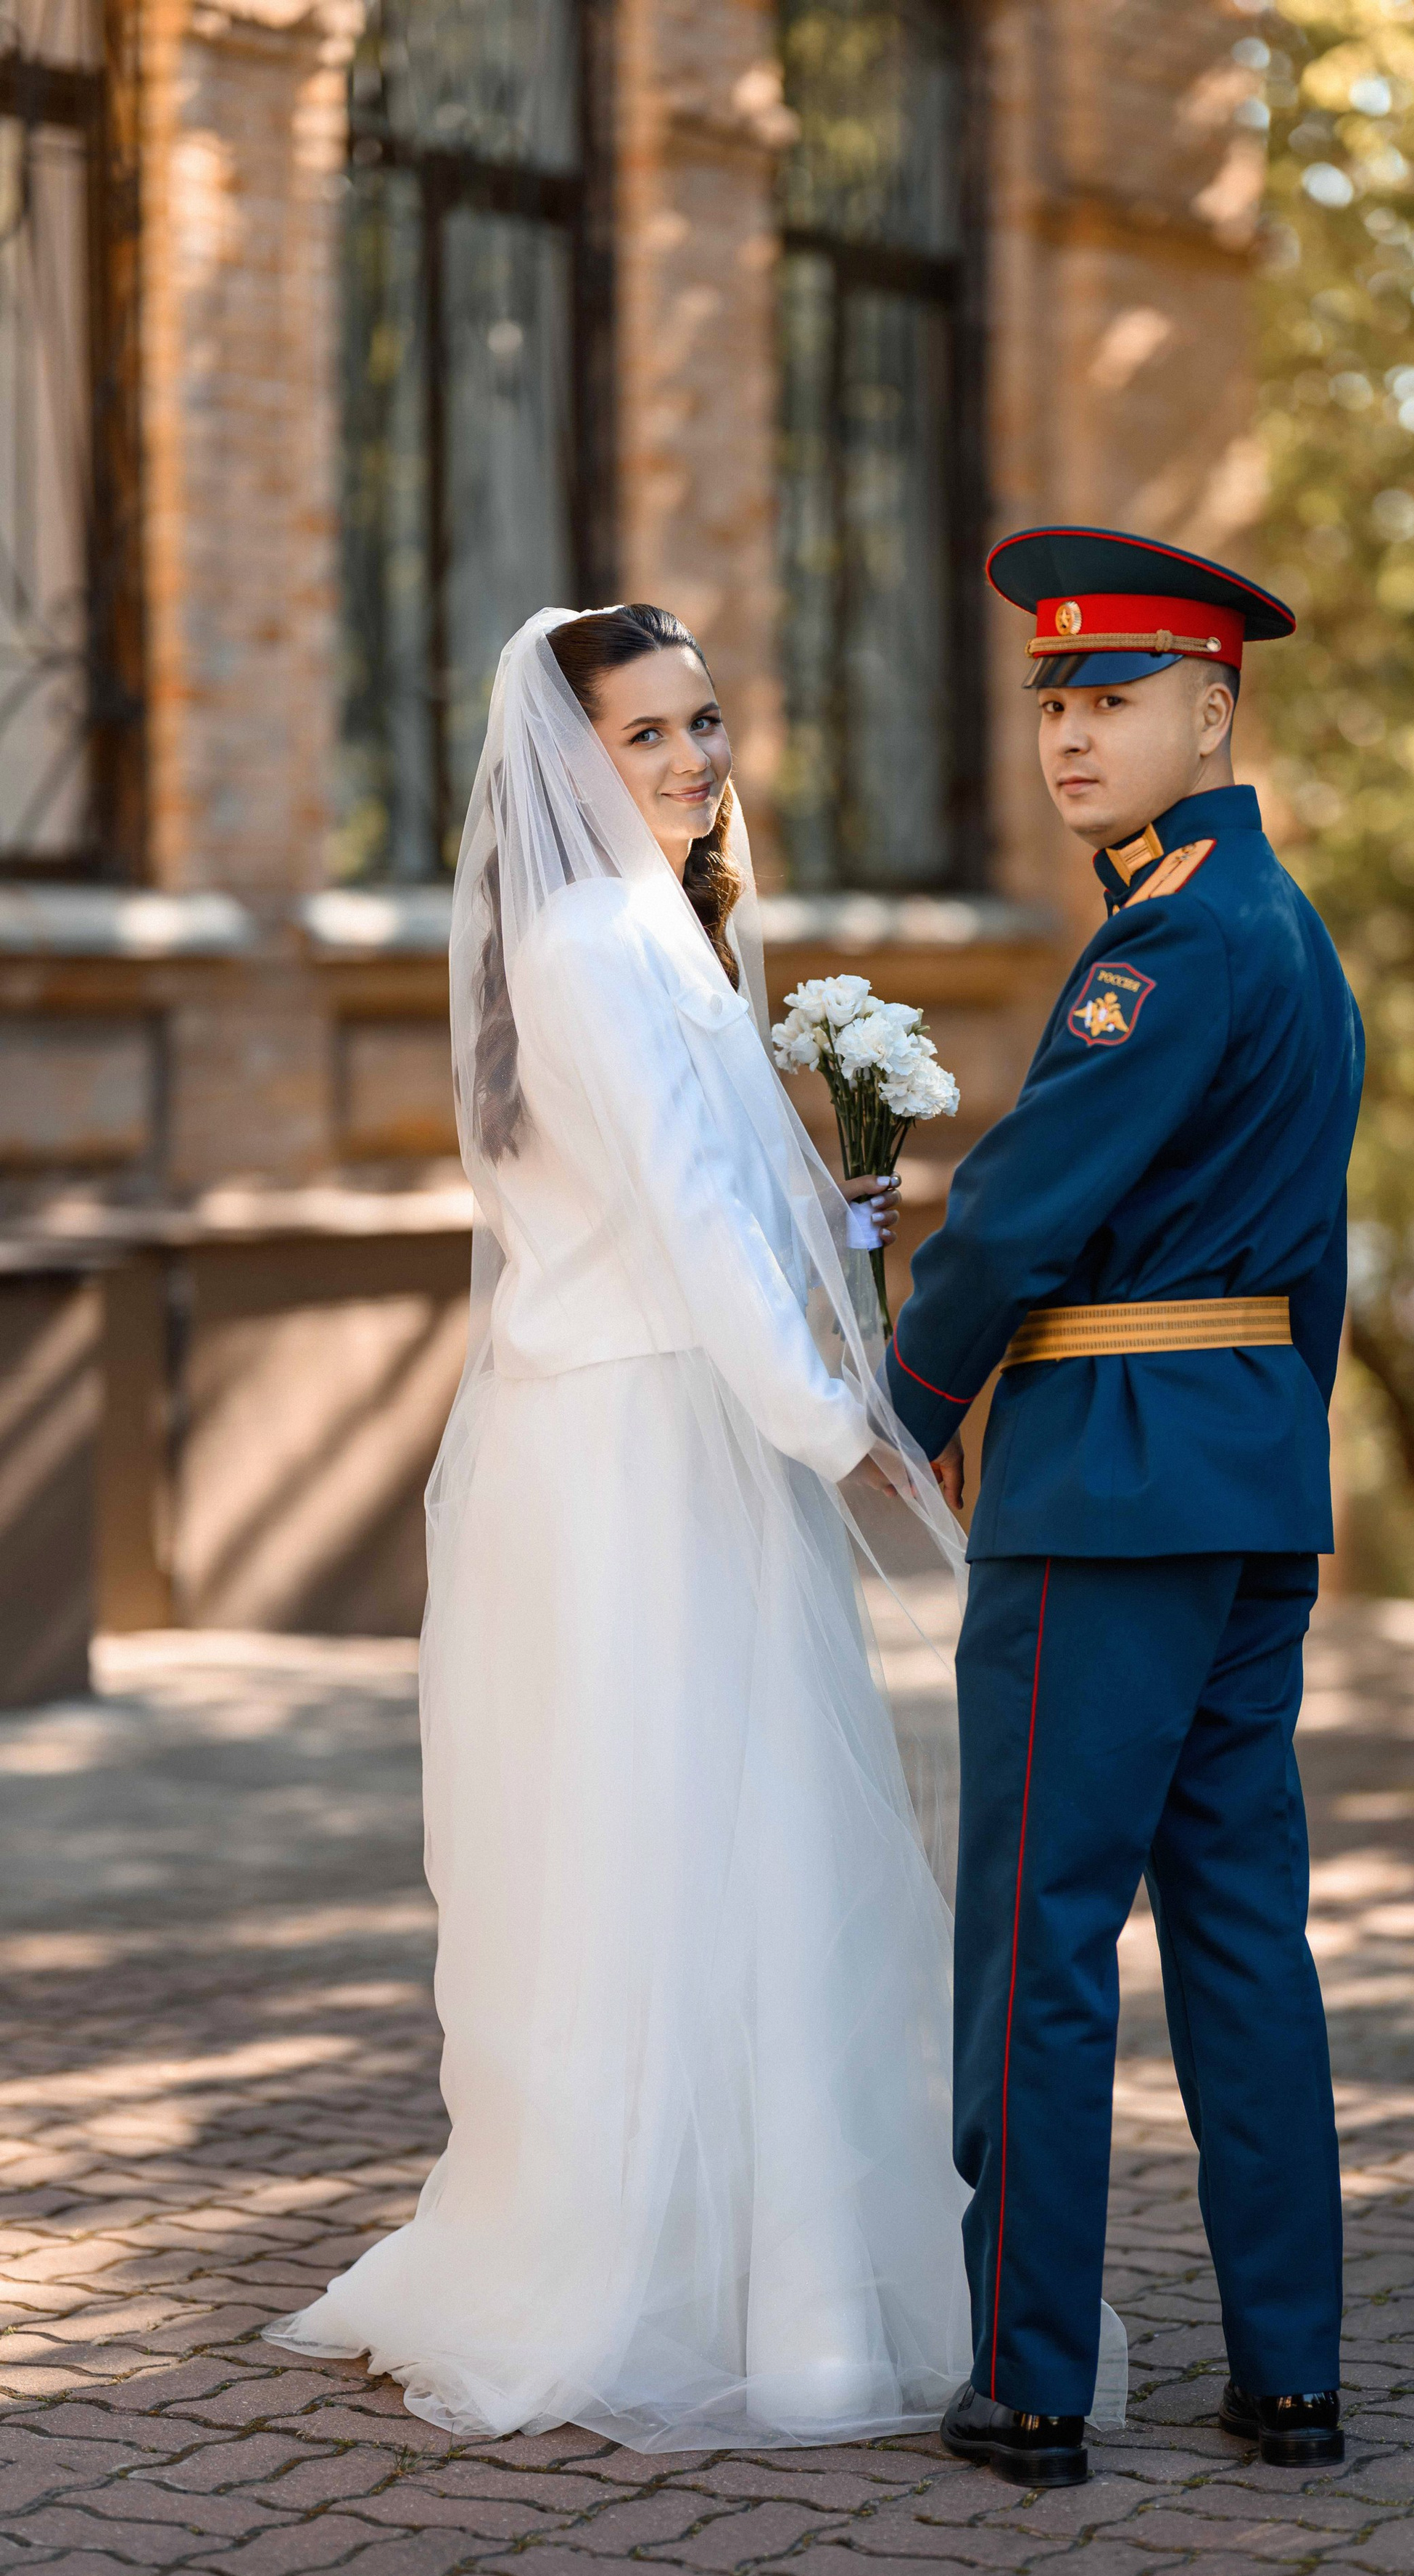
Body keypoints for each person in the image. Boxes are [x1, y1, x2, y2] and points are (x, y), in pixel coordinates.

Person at [265, 604, 993, 2448]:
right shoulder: (598, 943)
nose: (691, 762)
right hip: (647, 1453)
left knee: (682, 1848)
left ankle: (762, 2278)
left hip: (632, 1434)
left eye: (704, 725)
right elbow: (692, 1223)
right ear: (566, 760)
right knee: (708, 1845)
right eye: (646, 735)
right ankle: (750, 2297)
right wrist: (849, 1433)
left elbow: (723, 1210)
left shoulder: (633, 935)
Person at [882, 528, 1365, 2488]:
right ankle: (1292, 2376)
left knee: (1039, 1936)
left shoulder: (1172, 940)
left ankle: (1029, 2383)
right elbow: (1317, 1261)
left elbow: (1023, 1204)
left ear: (1211, 712)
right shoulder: (1290, 929)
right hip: (1247, 1477)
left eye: (1114, 702)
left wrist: (911, 1396)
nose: (1072, 736)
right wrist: (1281, 1445)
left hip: (1107, 1487)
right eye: (1055, 705)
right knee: (1244, 1929)